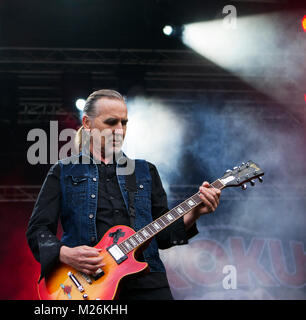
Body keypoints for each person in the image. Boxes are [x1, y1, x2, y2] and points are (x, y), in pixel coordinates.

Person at [26, 89, 221, 300]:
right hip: (87, 284)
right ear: (87, 123)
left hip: (147, 281)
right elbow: (37, 230)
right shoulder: (64, 171)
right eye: (111, 122)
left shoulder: (145, 171)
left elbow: (164, 236)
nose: (119, 130)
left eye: (124, 122)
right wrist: (65, 254)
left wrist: (195, 214)